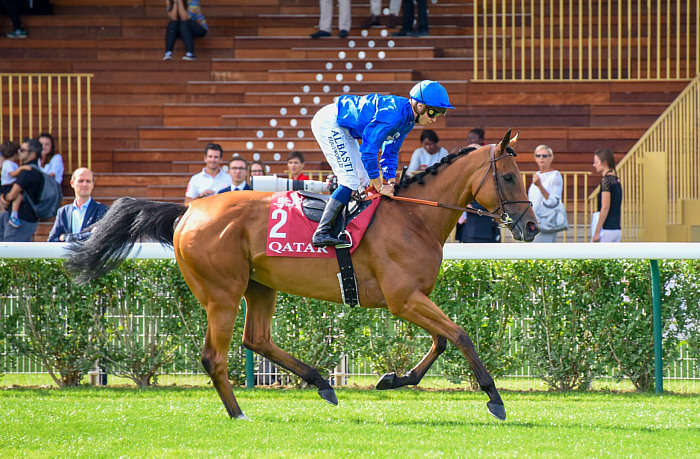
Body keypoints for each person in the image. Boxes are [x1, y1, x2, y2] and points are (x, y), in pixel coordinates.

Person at [310, 79, 454, 246]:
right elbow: (368, 152)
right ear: (420, 106)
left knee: (363, 181)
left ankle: (345, 228)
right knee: (350, 180)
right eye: (433, 113)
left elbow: (390, 151)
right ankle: (322, 232)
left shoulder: (407, 120)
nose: (434, 119)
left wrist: (390, 181)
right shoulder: (393, 115)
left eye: (439, 114)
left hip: (345, 128)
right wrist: (379, 186)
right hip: (330, 123)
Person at [48, 168, 108, 242]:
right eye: (81, 181)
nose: (84, 184)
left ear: (93, 184)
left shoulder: (102, 210)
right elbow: (52, 240)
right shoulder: (63, 212)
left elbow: (98, 237)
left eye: (88, 181)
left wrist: (66, 237)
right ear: (72, 183)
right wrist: (87, 235)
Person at [0, 139, 44, 241]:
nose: (18, 152)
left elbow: (12, 194)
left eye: (22, 150)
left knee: (10, 249)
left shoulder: (28, 171)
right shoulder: (33, 170)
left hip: (22, 219)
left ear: (32, 154)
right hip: (25, 219)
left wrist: (4, 198)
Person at [527, 145, 564, 243]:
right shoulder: (537, 175)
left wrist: (540, 186)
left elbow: (554, 202)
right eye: (538, 156)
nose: (541, 158)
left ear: (551, 157)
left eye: (544, 156)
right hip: (533, 222)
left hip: (547, 222)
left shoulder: (555, 175)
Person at [591, 148, 622, 242]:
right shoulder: (616, 179)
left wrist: (596, 232)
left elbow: (605, 207)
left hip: (606, 229)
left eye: (596, 162)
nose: (594, 165)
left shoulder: (606, 181)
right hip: (616, 228)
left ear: (604, 163)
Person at [0, 140, 25, 228]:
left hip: (10, 185)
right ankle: (14, 215)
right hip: (7, 186)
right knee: (18, 196)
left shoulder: (11, 164)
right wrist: (22, 169)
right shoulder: (8, 163)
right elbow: (12, 174)